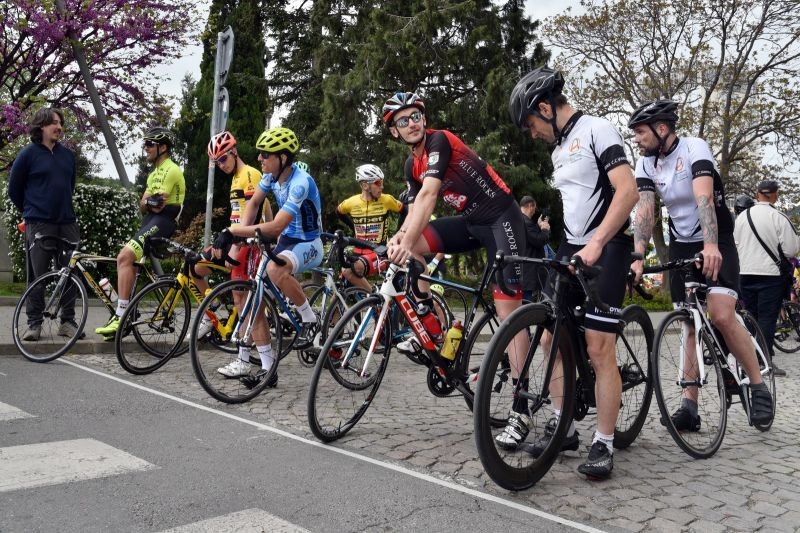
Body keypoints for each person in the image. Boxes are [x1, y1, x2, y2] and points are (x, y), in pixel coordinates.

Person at [509, 66, 640, 479]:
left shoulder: (598, 130)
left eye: (531, 124)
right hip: (572, 246)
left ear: (545, 108)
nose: (532, 133)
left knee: (599, 347)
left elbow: (628, 191)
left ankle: (604, 442)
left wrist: (598, 242)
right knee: (550, 335)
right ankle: (562, 424)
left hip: (609, 245)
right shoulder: (558, 150)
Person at [382, 90, 528, 427]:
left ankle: (522, 407)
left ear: (424, 119)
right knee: (414, 249)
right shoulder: (411, 164)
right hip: (471, 222)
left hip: (502, 218)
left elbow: (430, 194)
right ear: (394, 132)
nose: (412, 124)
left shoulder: (440, 141)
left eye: (415, 116)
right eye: (403, 121)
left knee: (509, 314)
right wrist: (400, 237)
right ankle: (431, 324)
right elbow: (414, 209)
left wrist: (406, 239)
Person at [629, 100, 775, 430]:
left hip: (716, 236)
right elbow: (645, 212)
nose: (636, 139)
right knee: (689, 323)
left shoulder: (694, 148)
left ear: (661, 129)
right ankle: (689, 406)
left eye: (640, 132)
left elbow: (703, 198)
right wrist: (637, 255)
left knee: (721, 315)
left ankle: (757, 385)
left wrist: (710, 246)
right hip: (681, 242)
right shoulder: (646, 164)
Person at [211, 126, 323, 380]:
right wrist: (238, 237)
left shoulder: (300, 183)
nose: (259, 158)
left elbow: (276, 226)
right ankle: (267, 368)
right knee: (255, 300)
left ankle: (309, 318)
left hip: (309, 243)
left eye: (265, 154)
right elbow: (253, 204)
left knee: (275, 269)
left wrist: (233, 231)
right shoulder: (271, 176)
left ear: (282, 158)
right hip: (286, 242)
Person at [95, 127, 185, 339]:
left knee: (124, 257)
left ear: (163, 147)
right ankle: (127, 314)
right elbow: (143, 205)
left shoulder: (172, 170)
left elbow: (158, 205)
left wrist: (150, 202)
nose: (146, 148)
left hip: (164, 221)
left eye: (150, 144)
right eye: (145, 144)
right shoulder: (153, 174)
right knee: (130, 262)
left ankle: (121, 315)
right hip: (150, 220)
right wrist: (149, 202)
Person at [8, 107, 81, 341]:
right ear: (41, 126)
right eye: (54, 123)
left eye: (60, 123)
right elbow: (14, 189)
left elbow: (70, 186)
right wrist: (30, 211)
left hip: (67, 222)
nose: (59, 127)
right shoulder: (27, 154)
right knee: (37, 275)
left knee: (69, 274)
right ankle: (34, 324)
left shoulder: (67, 156)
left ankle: (67, 322)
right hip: (38, 223)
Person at [192, 131, 267, 341]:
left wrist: (237, 243)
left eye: (223, 158)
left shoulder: (250, 174)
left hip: (245, 242)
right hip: (235, 238)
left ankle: (245, 348)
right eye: (217, 162)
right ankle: (212, 310)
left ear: (234, 151)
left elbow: (255, 212)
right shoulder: (236, 178)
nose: (221, 165)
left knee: (241, 300)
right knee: (195, 266)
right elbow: (264, 206)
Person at [734, 179, 800, 377]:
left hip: (745, 273)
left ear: (758, 194)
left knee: (750, 318)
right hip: (770, 275)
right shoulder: (778, 217)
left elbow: (735, 243)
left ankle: (748, 361)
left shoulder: (742, 217)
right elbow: (791, 249)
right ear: (775, 195)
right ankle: (764, 362)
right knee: (767, 319)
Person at [336, 164, 405, 292]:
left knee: (348, 271)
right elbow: (339, 212)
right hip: (358, 251)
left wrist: (398, 234)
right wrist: (353, 227)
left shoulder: (387, 200)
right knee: (340, 289)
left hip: (379, 253)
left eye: (382, 182)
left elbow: (405, 212)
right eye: (378, 183)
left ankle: (376, 298)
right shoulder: (351, 202)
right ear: (365, 186)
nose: (382, 186)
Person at [519, 195, 551, 301]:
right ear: (530, 206)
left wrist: (538, 225)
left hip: (521, 270)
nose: (534, 211)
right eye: (534, 207)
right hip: (528, 271)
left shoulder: (519, 220)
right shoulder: (526, 222)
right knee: (526, 305)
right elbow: (539, 241)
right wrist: (545, 229)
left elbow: (530, 239)